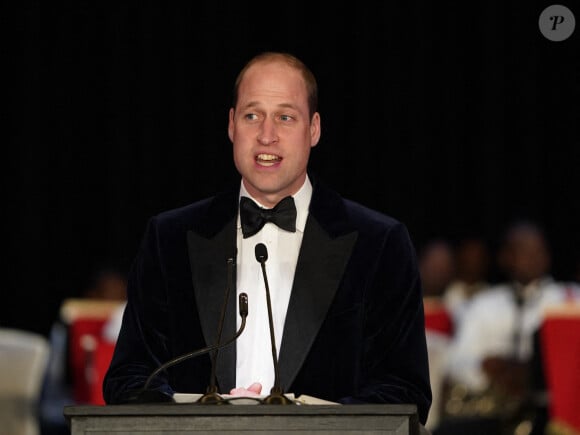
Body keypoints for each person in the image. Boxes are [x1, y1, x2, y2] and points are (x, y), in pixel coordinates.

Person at [102, 51, 432, 425]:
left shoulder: (380, 243)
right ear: (231, 125)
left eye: (285, 117)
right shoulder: (169, 238)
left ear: (314, 129)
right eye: (252, 115)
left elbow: (406, 391)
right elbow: (129, 378)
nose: (267, 135)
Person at [439, 220, 580, 434]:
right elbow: (457, 361)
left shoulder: (570, 300)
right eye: (523, 249)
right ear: (505, 257)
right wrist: (485, 367)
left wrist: (531, 372)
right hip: (495, 412)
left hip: (552, 412)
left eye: (538, 250)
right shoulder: (483, 304)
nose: (532, 257)